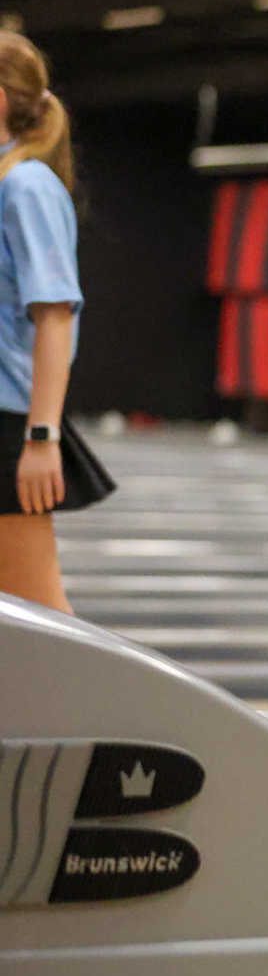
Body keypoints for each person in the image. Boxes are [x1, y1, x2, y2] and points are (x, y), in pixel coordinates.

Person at [0, 30, 113, 614]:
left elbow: (56, 318)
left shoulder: (26, 186)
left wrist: (41, 437)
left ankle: (101, 710)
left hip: (10, 423)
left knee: (43, 621)